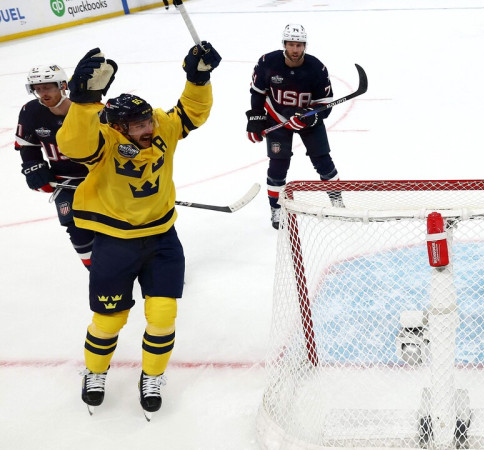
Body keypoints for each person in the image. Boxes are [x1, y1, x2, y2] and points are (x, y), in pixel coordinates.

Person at [55, 43, 221, 418]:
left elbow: (192, 112)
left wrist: (198, 78)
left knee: (163, 316)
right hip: (115, 244)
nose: (148, 129)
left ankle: (153, 375)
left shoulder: (160, 125)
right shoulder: (105, 141)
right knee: (109, 320)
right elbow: (73, 143)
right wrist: (82, 102)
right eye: (138, 125)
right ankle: (95, 372)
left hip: (162, 239)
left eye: (148, 121)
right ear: (117, 126)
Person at [246, 24, 343, 230]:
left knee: (323, 161)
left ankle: (337, 201)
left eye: (299, 45)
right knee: (278, 166)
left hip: (307, 119)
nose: (295, 49)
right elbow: (257, 93)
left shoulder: (316, 68)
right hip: (277, 118)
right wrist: (255, 120)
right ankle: (277, 208)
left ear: (304, 45)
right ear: (284, 45)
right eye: (291, 44)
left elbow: (325, 105)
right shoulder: (267, 63)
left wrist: (309, 118)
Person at [15, 64, 93, 270]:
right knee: (75, 227)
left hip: (98, 177)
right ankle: (98, 271)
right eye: (38, 89)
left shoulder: (85, 109)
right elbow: (26, 143)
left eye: (47, 87)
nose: (42, 93)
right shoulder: (30, 111)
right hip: (63, 182)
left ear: (63, 86)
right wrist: (32, 165)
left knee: (115, 224)